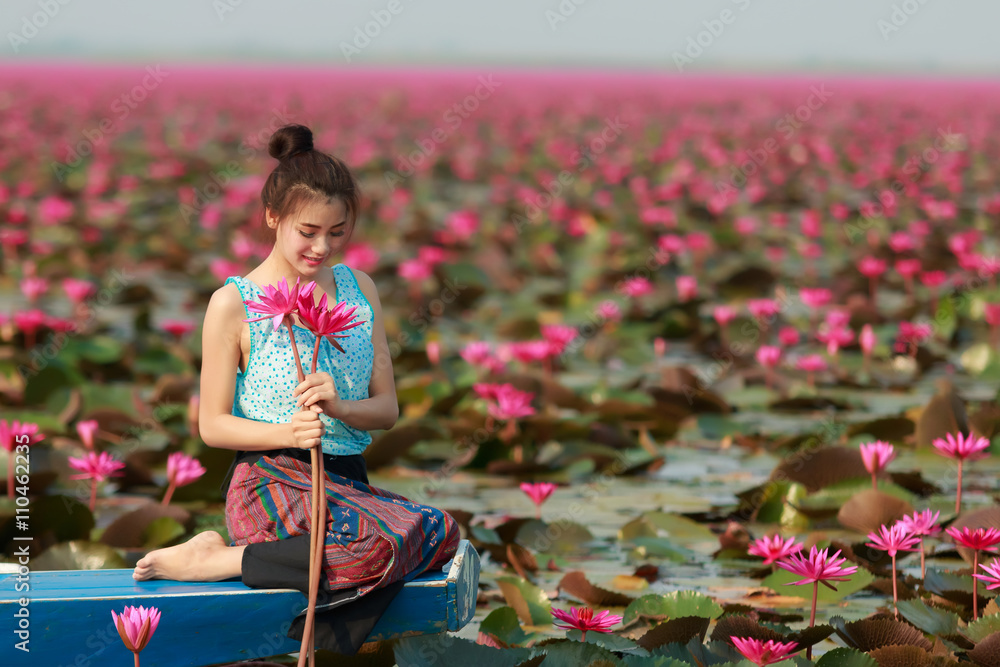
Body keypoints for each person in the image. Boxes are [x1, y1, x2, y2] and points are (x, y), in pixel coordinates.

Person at [133, 123, 460, 654]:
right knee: (374, 550)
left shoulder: (360, 290)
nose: (322, 246)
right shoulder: (233, 303)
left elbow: (387, 410)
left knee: (441, 531)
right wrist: (287, 428)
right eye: (308, 231)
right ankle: (216, 559)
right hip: (269, 481)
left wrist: (341, 407)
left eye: (337, 232)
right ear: (272, 217)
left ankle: (296, 619)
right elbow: (212, 426)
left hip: (346, 484)